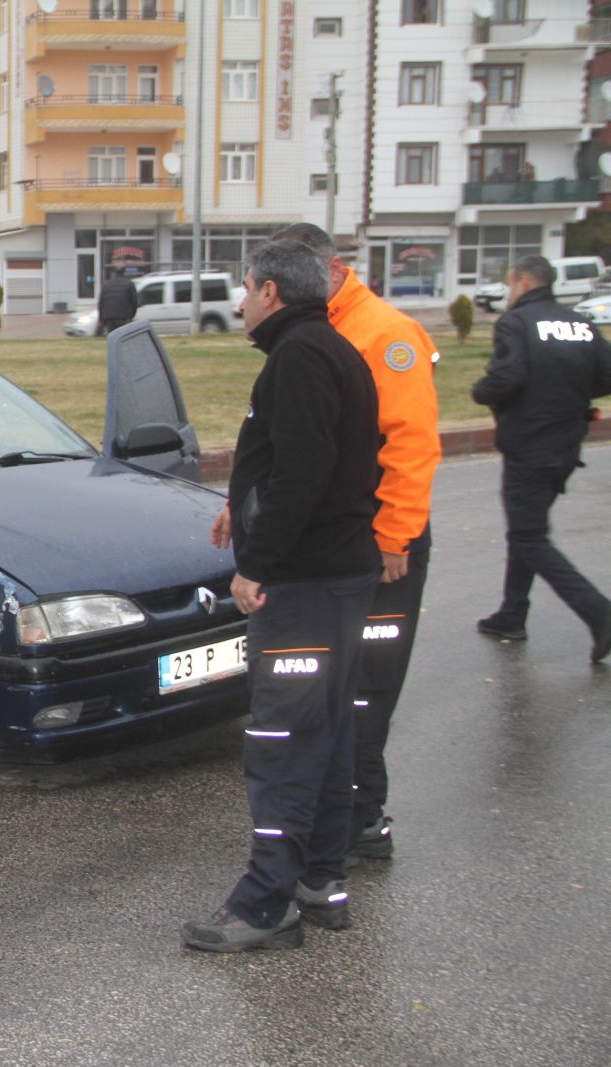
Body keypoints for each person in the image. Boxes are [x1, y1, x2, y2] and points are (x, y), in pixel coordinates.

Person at [183, 239, 382, 952]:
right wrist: (244, 502)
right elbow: (313, 462)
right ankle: (319, 878)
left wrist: (255, 563)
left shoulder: (299, 358)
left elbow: (304, 470)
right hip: (336, 576)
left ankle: (264, 902)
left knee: (283, 740)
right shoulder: (327, 348)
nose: (238, 302)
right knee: (325, 732)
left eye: (243, 288)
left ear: (269, 290)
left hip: (302, 584)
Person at [270, 222, 441, 862]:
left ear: (332, 268)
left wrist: (397, 537)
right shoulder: (321, 329)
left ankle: (364, 820)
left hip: (384, 545)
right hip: (344, 543)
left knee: (366, 687)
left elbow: (411, 445)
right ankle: (337, 813)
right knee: (336, 684)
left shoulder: (385, 333)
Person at [471, 255, 611, 662]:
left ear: (523, 281)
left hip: (528, 446)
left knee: (529, 537)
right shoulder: (579, 323)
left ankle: (598, 611)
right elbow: (606, 374)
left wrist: (482, 391)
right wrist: (569, 394)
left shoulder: (517, 323)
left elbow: (507, 377)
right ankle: (512, 615)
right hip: (566, 445)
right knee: (527, 531)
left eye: (511, 282)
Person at [97, 267, 139, 335]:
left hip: (109, 316)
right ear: (124, 273)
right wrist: (131, 316)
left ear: (113, 273)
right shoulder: (129, 284)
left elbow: (101, 302)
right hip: (123, 316)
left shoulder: (106, 285)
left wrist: (101, 318)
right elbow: (134, 301)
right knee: (122, 336)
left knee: (112, 336)